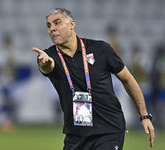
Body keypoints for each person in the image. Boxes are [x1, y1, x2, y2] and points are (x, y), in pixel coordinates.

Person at [32, 8, 155, 150]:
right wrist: (45, 64)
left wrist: (144, 116)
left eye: (57, 23)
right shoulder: (48, 56)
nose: (52, 29)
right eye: (48, 26)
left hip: (109, 130)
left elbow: (128, 79)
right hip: (76, 135)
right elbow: (47, 67)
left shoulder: (101, 49)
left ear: (72, 24)